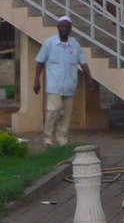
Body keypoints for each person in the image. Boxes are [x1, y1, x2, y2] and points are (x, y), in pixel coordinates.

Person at [32, 14, 91, 146]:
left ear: (70, 28)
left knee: (66, 115)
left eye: (67, 26)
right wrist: (37, 80)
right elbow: (40, 62)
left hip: (69, 85)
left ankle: (62, 139)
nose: (64, 28)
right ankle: (47, 137)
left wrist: (89, 77)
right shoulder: (49, 43)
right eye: (62, 26)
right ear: (58, 27)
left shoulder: (75, 45)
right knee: (55, 109)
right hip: (54, 86)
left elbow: (83, 63)